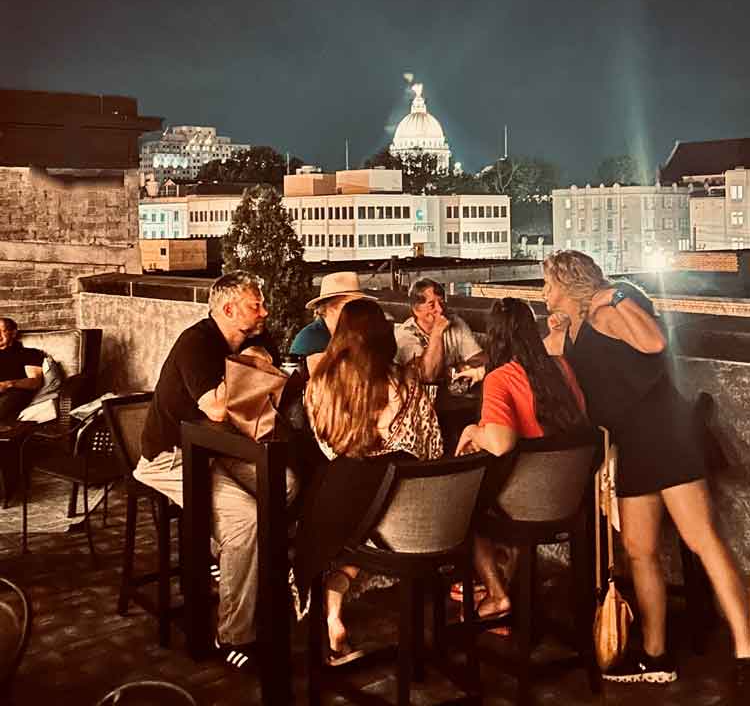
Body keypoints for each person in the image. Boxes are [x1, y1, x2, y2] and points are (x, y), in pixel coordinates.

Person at [543, 250, 750, 694]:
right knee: (639, 552)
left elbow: (655, 342)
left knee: (703, 541)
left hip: (665, 436)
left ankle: (746, 650)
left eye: (548, 285)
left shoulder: (608, 308)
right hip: (631, 445)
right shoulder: (574, 327)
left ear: (568, 283)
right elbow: (539, 358)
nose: (544, 293)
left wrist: (615, 297)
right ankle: (656, 655)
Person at [133, 271, 297, 672]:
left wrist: (257, 359)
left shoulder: (254, 338)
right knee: (243, 521)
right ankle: (234, 634)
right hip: (170, 457)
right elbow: (218, 408)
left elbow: (275, 377)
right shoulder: (197, 343)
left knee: (287, 485)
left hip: (218, 451)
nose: (265, 311)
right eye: (255, 305)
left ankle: (235, 564)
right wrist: (252, 364)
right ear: (227, 309)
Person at [304, 297, 443, 663]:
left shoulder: (320, 383)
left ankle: (332, 614)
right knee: (371, 526)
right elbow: (431, 449)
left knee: (341, 521)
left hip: (344, 506)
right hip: (408, 520)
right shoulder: (407, 384)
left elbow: (327, 447)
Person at [455, 297, 587, 618]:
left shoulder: (499, 378)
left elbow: (500, 443)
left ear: (494, 336)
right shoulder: (561, 366)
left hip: (526, 504)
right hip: (571, 498)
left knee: (463, 511)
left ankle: (498, 594)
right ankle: (505, 579)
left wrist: (473, 431)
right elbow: (581, 421)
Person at [395, 278, 487, 385]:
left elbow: (480, 358)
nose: (440, 309)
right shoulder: (405, 335)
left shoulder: (455, 322)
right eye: (432, 305)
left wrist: (458, 367)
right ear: (416, 310)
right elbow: (427, 376)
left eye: (441, 302)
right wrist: (437, 332)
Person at [289, 271, 373, 368]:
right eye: (350, 306)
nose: (357, 311)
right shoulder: (308, 340)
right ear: (330, 307)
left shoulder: (357, 333)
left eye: (359, 306)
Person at [0, 317, 44, 423]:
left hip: (13, 393)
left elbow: (35, 382)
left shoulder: (29, 353)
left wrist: (7, 384)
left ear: (14, 333)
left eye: (3, 331)